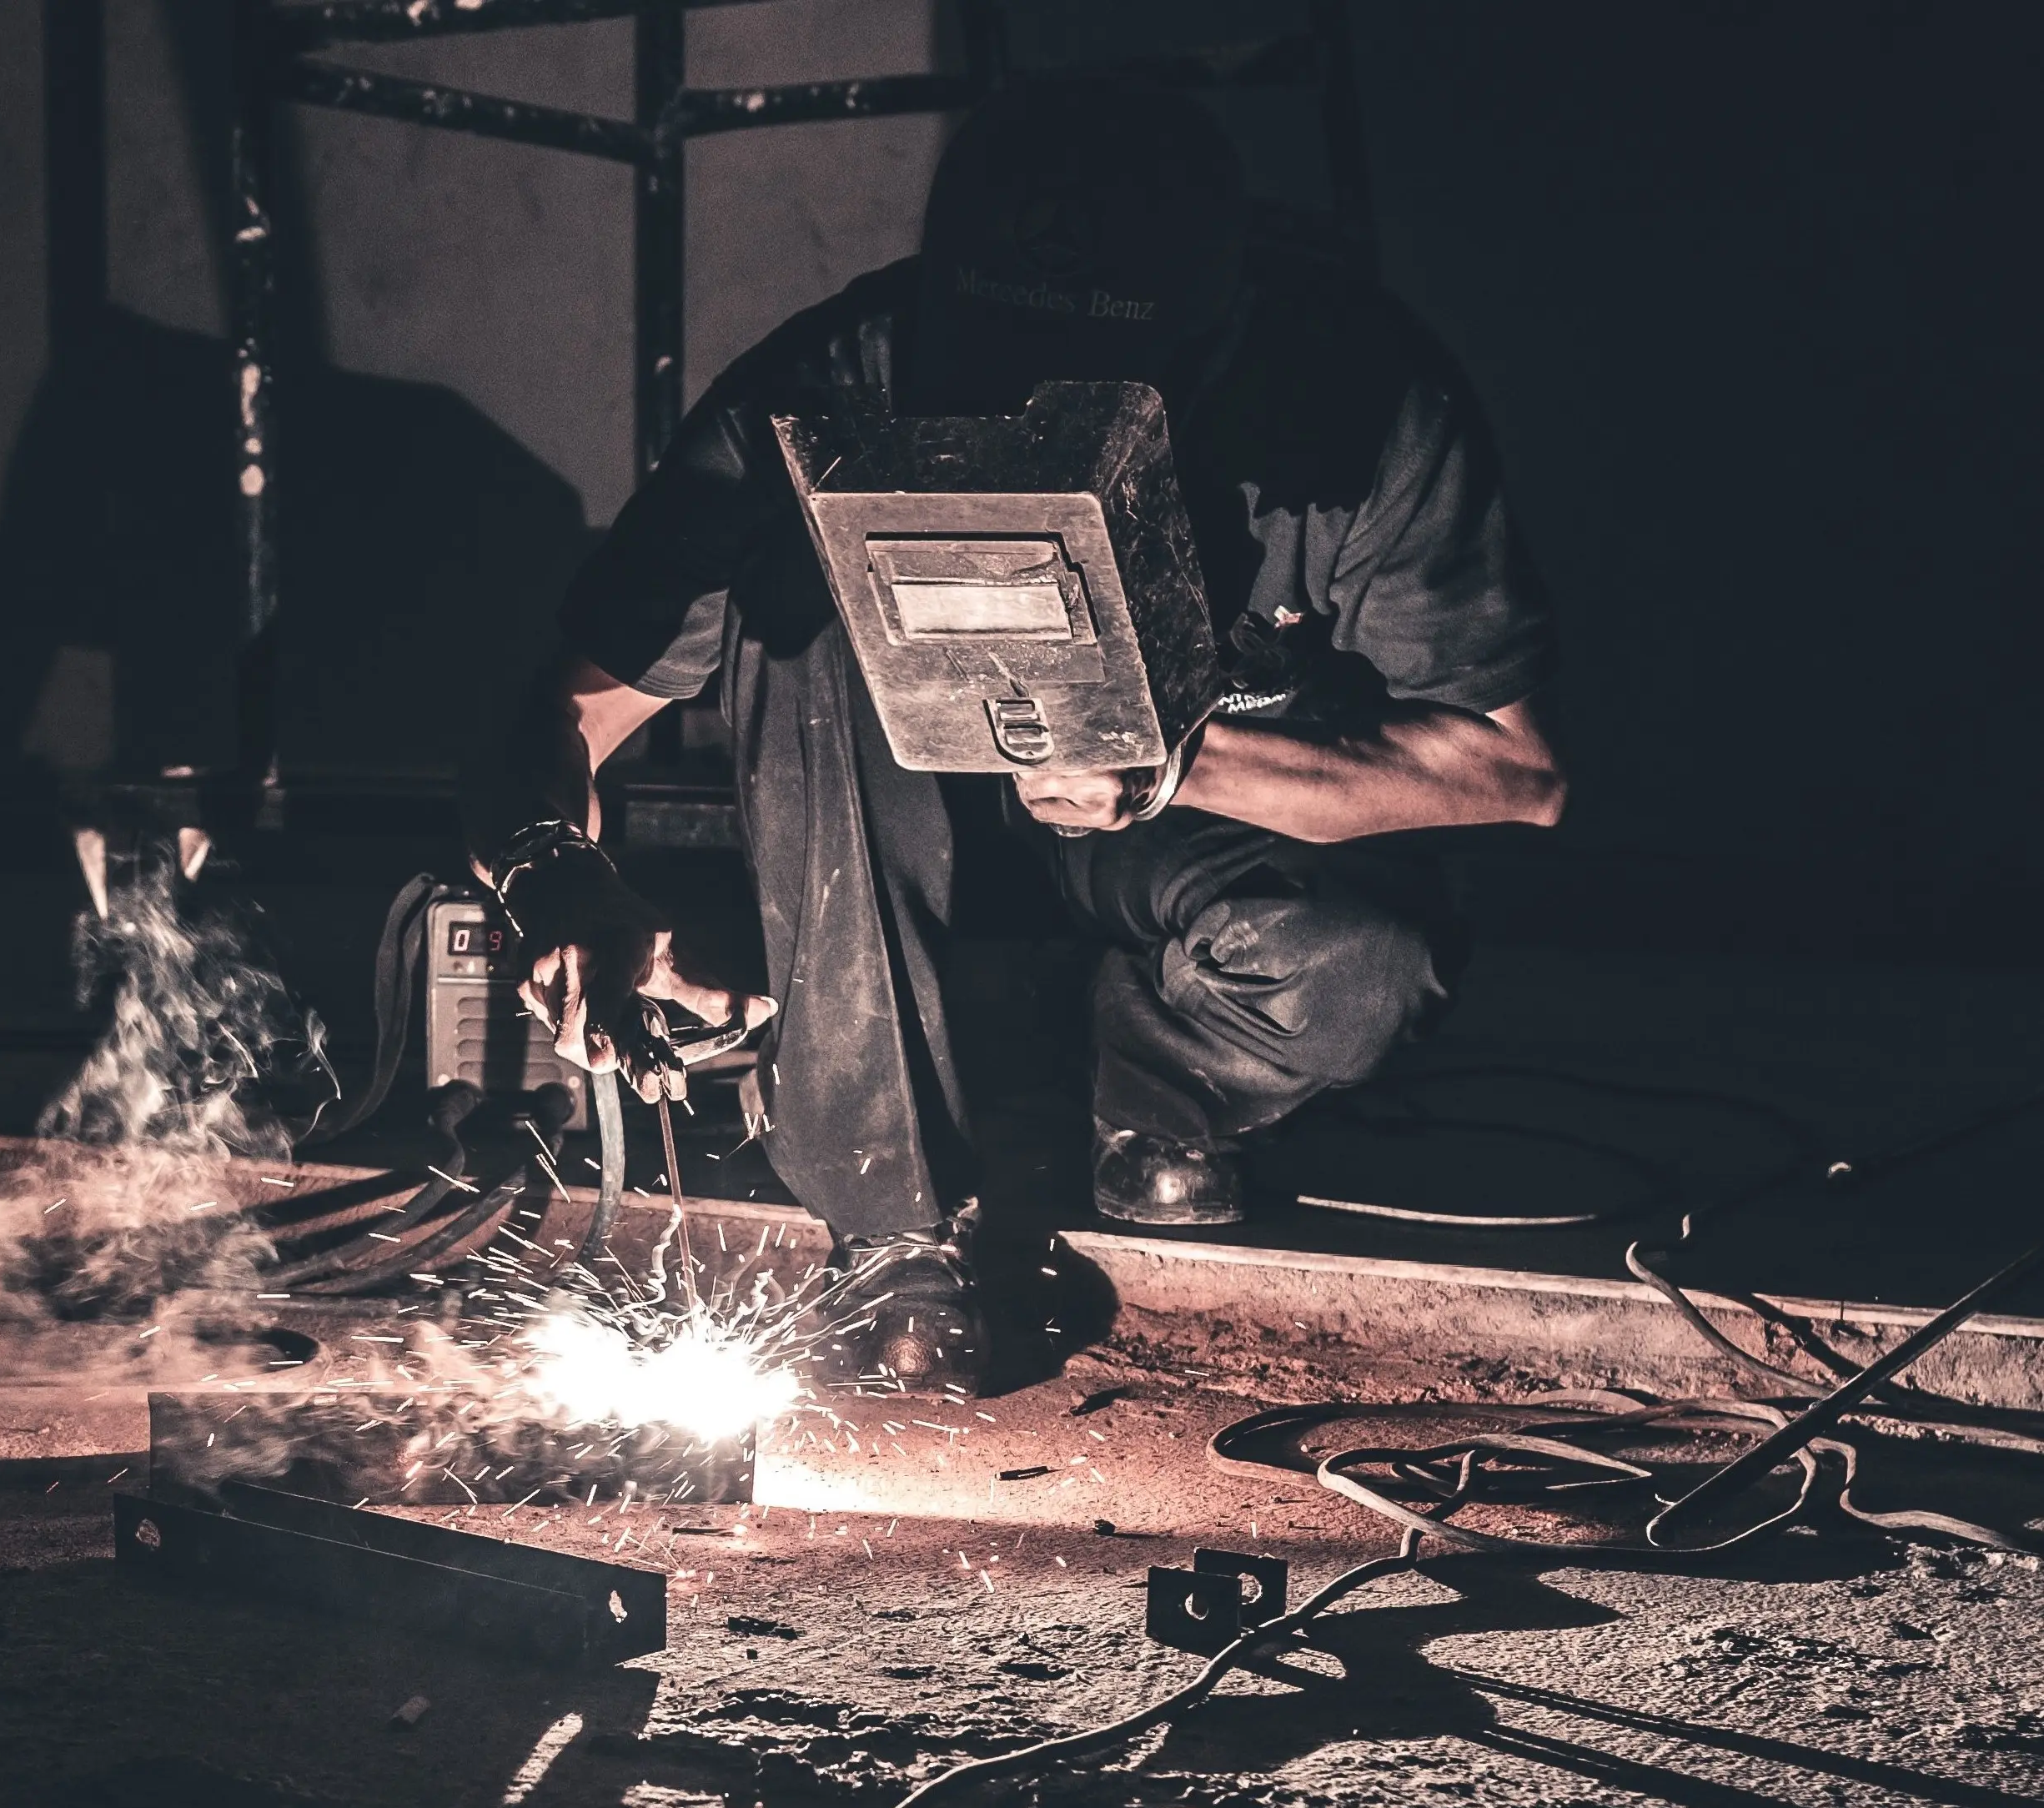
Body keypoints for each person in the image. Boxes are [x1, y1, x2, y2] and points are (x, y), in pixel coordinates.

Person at [466, 79, 1565, 1384]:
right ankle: (889, 1219)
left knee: (1361, 971)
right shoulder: (830, 385)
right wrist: (552, 871)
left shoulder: (1362, 401)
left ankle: (1129, 1088)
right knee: (789, 582)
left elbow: (1515, 771)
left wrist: (1168, 767)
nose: (1023, 435)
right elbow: (559, 710)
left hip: (1193, 849)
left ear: (1214, 348)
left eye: (1078, 409)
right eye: (995, 393)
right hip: (904, 837)